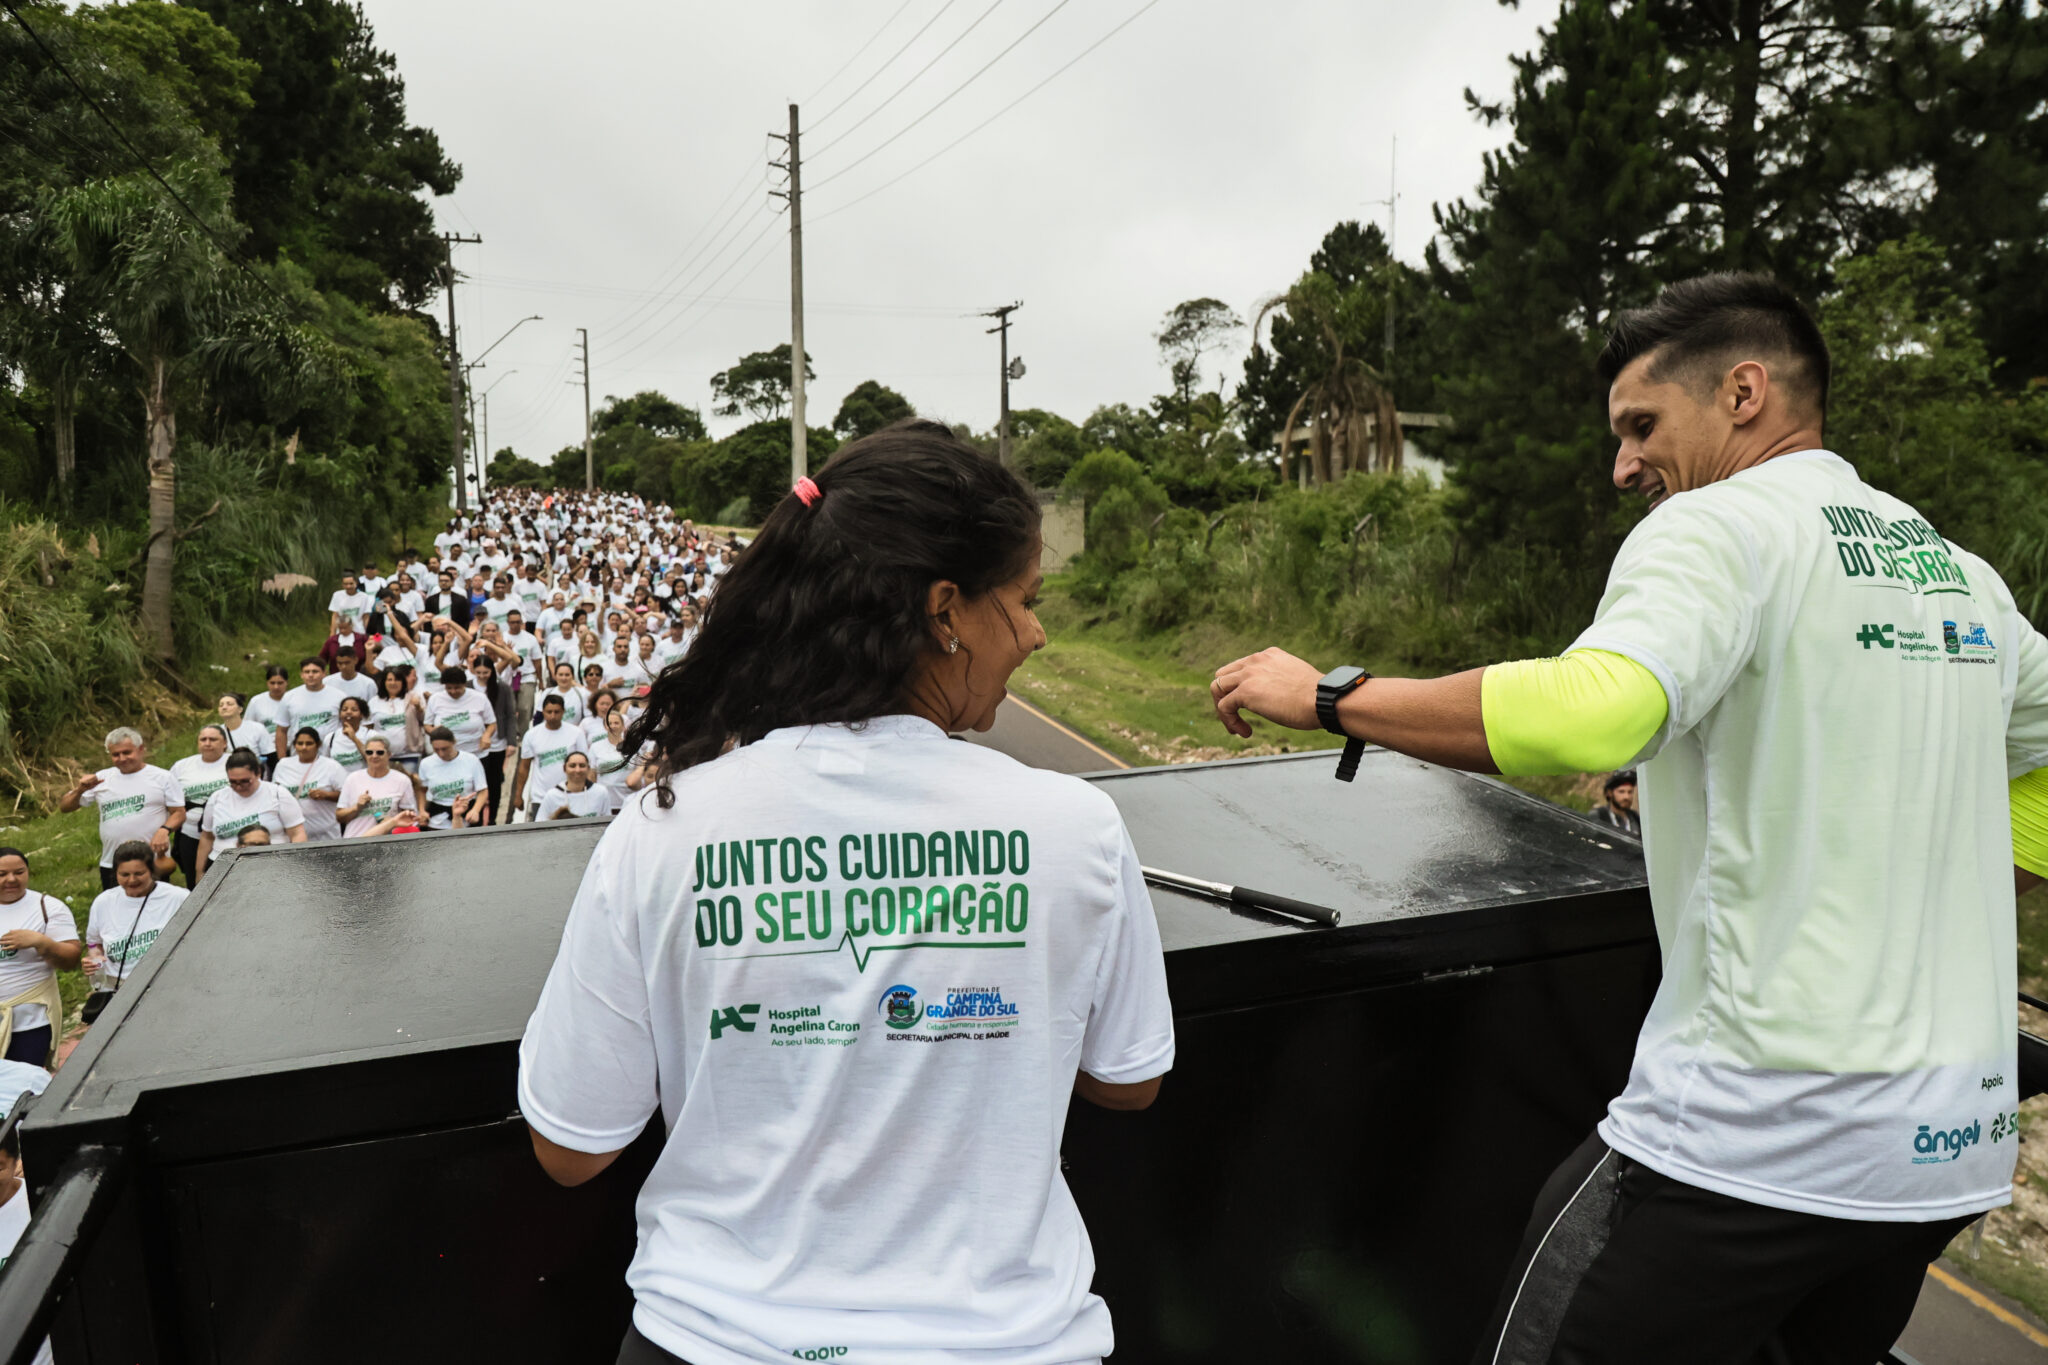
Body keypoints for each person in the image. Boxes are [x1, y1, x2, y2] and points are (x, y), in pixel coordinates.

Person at [1210, 274, 2048, 1363]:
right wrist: (1941, 875)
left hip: (1753, 1142)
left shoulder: (1718, 525)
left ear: (1742, 392)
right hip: (1944, 1152)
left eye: (1641, 426)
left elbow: (1589, 713)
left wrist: (1330, 696)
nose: (1622, 466)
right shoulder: (1957, 574)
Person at [519, 422, 1174, 1365]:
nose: (1037, 633)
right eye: (1024, 601)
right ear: (945, 610)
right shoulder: (1077, 829)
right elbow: (1129, 1076)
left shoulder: (661, 832)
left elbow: (571, 1146)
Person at [58, 728, 183, 891]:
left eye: (127, 752)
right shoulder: (101, 779)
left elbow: (179, 813)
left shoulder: (162, 777)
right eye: (116, 754)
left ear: (141, 749)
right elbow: (65, 807)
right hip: (112, 862)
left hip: (151, 861)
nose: (122, 758)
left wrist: (164, 830)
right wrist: (79, 790)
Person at [0, 848, 79, 1066]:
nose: (11, 879)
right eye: (2, 874)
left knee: (27, 1082)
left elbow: (71, 960)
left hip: (31, 1022)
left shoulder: (48, 907)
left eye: (19, 872)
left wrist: (42, 943)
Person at [84, 840, 188, 1000]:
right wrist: (94, 958)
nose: (132, 880)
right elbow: (94, 943)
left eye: (139, 874)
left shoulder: (178, 898)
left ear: (151, 870)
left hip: (167, 989)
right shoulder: (103, 903)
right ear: (115, 873)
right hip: (117, 992)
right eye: (124, 875)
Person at [195, 750, 306, 875]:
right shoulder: (217, 798)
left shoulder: (277, 794)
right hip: (223, 867)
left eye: (244, 781)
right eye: (233, 782)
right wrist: (199, 872)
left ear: (258, 773)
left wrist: (296, 867)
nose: (238, 786)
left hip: (271, 865)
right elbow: (207, 837)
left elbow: (297, 833)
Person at [167, 725, 233, 888]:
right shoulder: (182, 766)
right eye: (203, 739)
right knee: (195, 881)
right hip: (191, 832)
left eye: (213, 739)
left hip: (227, 831)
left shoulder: (233, 761)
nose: (207, 743)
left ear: (224, 743)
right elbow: (170, 798)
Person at [515, 695, 589, 820]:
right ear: (543, 712)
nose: (553, 716)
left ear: (563, 712)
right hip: (541, 797)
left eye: (557, 712)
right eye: (549, 712)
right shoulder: (531, 735)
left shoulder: (576, 733)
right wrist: (518, 795)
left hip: (571, 795)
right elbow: (524, 767)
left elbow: (586, 764)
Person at [336, 738, 425, 838]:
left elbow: (411, 819)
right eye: (369, 752)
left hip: (386, 841)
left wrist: (390, 822)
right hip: (354, 840)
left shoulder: (402, 780)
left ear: (389, 754)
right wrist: (357, 807)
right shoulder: (352, 779)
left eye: (380, 752)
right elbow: (339, 817)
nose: (374, 756)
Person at [272, 728, 347, 843]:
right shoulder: (283, 765)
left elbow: (347, 796)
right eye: (300, 743)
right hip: (293, 837)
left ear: (318, 745)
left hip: (327, 835)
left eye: (309, 743)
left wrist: (326, 795)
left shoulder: (332, 766)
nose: (304, 747)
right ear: (294, 745)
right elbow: (274, 795)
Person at [416, 726, 488, 830]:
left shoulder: (471, 760)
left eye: (445, 749)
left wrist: (476, 810)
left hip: (465, 816)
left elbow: (483, 790)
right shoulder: (426, 763)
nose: (441, 753)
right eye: (436, 750)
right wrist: (422, 810)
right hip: (437, 818)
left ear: (454, 742)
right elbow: (422, 790)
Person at [277, 657, 341, 755]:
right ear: (301, 675)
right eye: (307, 672)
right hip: (299, 757)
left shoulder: (338, 696)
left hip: (331, 756)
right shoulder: (289, 697)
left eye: (315, 671)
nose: (310, 675)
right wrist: (282, 759)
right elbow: (281, 730)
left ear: (324, 673)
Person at [245, 666, 292, 777]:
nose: (276, 687)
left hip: (292, 747)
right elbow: (248, 726)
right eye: (272, 683)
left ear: (287, 683)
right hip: (267, 751)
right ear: (267, 683)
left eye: (280, 683)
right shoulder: (256, 702)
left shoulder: (293, 699)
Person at [533, 751, 607, 820]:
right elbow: (540, 823)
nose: (577, 770)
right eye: (572, 766)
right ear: (564, 768)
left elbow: (607, 822)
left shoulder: (601, 792)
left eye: (582, 765)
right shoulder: (552, 796)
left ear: (588, 768)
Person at [216, 692, 270, 762]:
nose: (224, 707)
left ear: (240, 709)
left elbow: (269, 755)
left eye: (229, 704)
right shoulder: (215, 732)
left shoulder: (257, 728)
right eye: (221, 705)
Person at [1588, 769, 1640, 836]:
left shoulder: (1635, 817)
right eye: (1621, 791)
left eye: (1630, 792)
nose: (1626, 796)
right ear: (1609, 793)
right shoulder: (1599, 815)